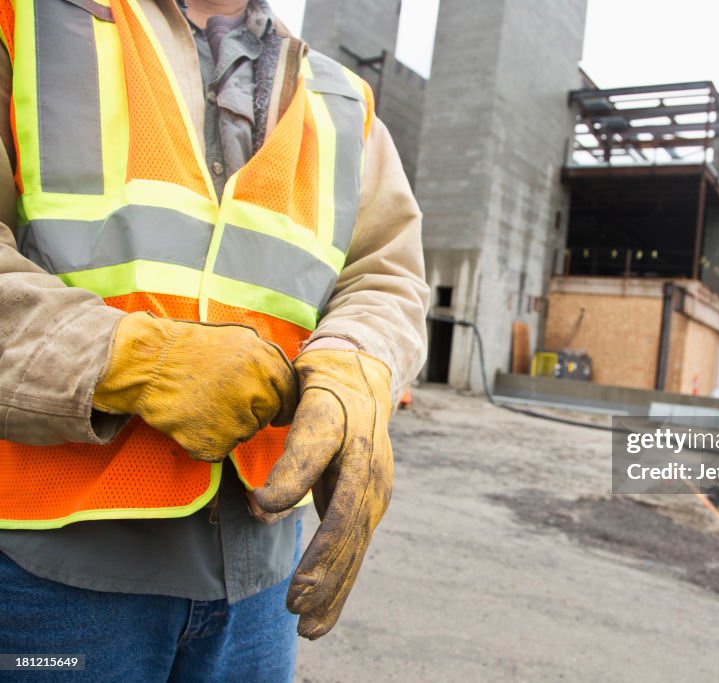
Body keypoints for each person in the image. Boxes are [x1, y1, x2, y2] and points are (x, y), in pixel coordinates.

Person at [0, 0, 428, 679]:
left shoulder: (342, 100)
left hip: (259, 576)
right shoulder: (31, 24)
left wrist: (357, 363)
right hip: (45, 569)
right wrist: (130, 360)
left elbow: (385, 274)